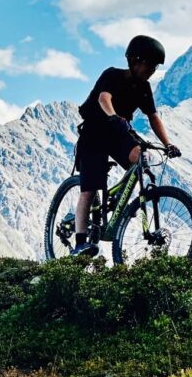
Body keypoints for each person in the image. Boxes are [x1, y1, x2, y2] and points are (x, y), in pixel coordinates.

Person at [71, 35, 181, 256]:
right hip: (94, 134)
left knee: (141, 156)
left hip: (117, 133)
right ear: (134, 60)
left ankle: (118, 197)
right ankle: (80, 242)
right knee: (89, 189)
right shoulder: (112, 75)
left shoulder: (144, 88)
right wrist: (112, 116)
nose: (150, 70)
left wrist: (168, 144)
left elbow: (153, 117)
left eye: (154, 66)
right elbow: (104, 98)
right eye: (148, 64)